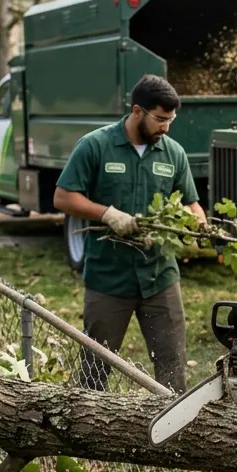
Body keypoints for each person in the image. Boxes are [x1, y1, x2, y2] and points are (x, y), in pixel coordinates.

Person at [53, 74, 207, 393]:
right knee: (96, 366)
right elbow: (63, 197)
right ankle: (88, 427)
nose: (166, 127)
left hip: (159, 276)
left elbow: (192, 202)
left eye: (171, 120)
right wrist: (107, 214)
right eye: (161, 119)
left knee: (172, 363)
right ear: (137, 111)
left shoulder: (173, 153)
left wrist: (197, 225)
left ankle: (171, 430)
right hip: (109, 277)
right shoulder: (95, 145)